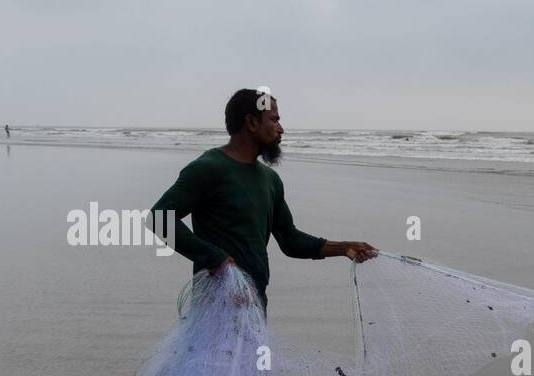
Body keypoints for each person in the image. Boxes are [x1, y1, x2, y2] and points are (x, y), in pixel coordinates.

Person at [150, 88, 377, 311]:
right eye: (274, 120)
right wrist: (216, 259)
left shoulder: (270, 180)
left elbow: (290, 240)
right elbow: (158, 218)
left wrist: (344, 248)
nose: (281, 129)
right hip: (214, 304)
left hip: (254, 303)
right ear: (251, 122)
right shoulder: (209, 168)